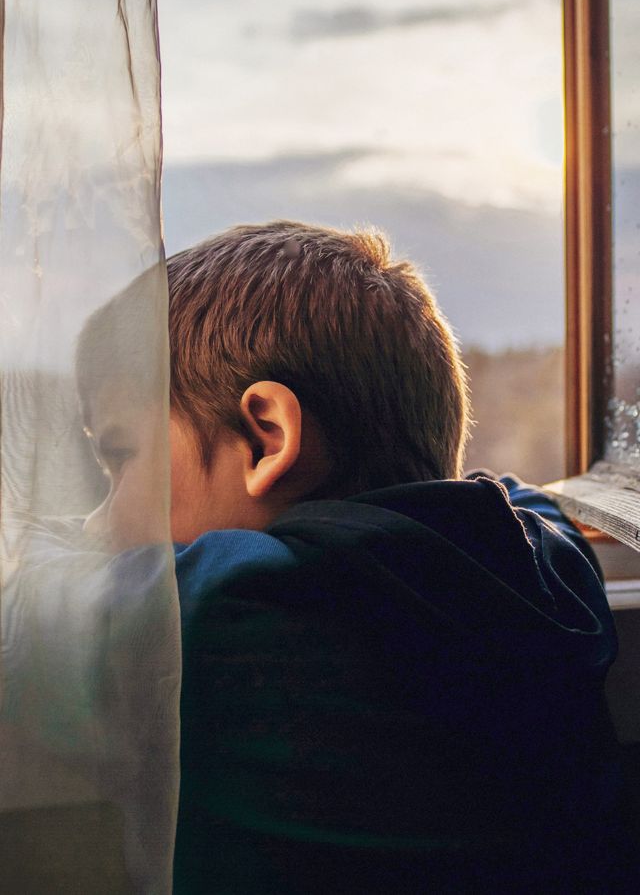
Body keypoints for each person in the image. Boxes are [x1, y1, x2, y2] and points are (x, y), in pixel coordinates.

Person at [77, 221, 636, 893]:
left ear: (266, 438)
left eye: (119, 458)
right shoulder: (555, 569)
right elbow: (516, 500)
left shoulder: (230, 614)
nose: (96, 522)